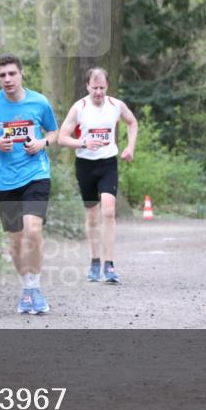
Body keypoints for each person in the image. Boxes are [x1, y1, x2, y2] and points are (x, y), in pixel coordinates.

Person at [0, 54, 59, 315]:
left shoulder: (39, 102)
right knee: (16, 240)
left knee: (33, 229)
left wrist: (43, 143)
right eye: (2, 75)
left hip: (36, 174)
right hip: (5, 180)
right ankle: (26, 287)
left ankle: (36, 288)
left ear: (21, 74)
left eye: (11, 74)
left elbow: (54, 131)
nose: (7, 79)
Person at [57, 67, 138, 284]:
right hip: (85, 165)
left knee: (109, 212)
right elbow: (62, 138)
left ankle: (109, 265)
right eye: (95, 88)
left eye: (102, 87)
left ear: (107, 87)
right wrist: (83, 142)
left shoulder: (116, 106)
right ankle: (94, 261)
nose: (99, 92)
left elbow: (132, 122)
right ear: (87, 86)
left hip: (108, 163)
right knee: (92, 215)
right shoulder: (79, 108)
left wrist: (130, 147)